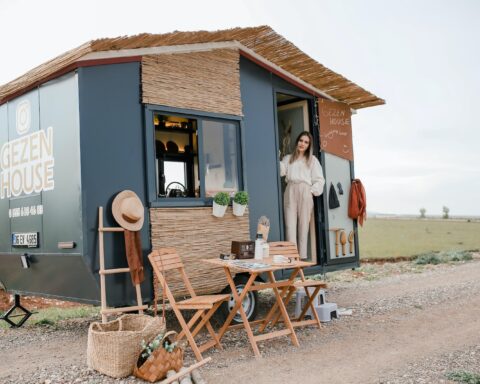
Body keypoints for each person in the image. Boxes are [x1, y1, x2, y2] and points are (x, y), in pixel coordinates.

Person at [280, 132, 325, 259]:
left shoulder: (312, 160)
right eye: (301, 140)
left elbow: (320, 180)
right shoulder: (288, 158)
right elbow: (281, 171)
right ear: (297, 142)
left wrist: (311, 191)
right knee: (290, 225)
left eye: (306, 142)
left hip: (305, 190)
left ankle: (302, 257)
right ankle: (291, 257)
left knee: (303, 225)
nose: (302, 144)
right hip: (290, 189)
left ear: (309, 145)